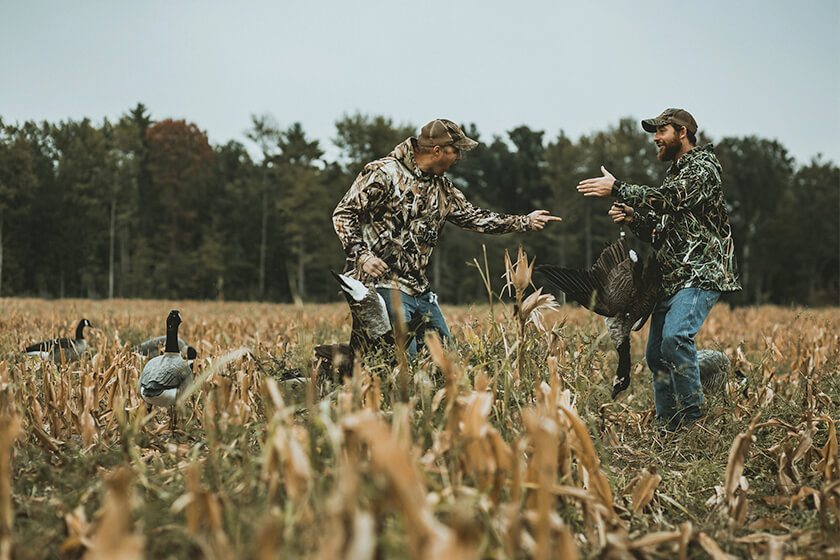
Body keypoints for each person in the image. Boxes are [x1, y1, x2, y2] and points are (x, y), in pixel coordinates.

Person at [333, 118, 561, 355]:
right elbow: (343, 213)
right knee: (401, 362)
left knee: (445, 362)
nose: (459, 158)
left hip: (419, 289)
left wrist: (525, 221)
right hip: (381, 286)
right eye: (456, 151)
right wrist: (363, 255)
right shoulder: (383, 173)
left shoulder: (442, 188)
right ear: (437, 150)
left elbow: (474, 218)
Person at [576, 108, 741, 434]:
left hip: (700, 273)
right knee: (656, 356)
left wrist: (619, 189)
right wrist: (632, 217)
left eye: (660, 131)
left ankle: (694, 424)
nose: (655, 139)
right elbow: (660, 232)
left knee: (675, 339)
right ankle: (669, 428)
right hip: (671, 277)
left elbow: (672, 199)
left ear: (682, 132)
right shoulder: (677, 173)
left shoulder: (703, 168)